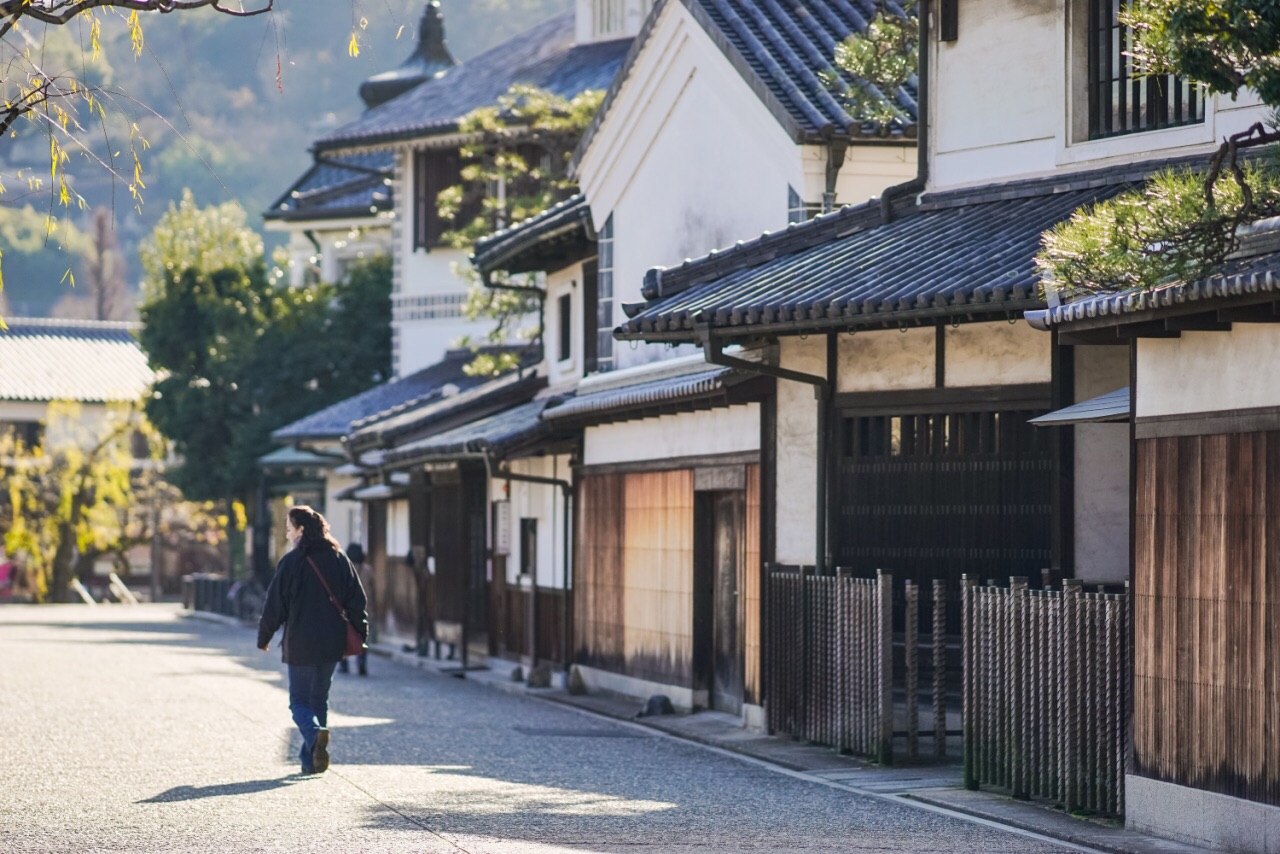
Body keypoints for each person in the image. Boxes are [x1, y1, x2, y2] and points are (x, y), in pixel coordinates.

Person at [257, 506, 368, 775]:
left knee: (298, 702)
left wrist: (265, 635)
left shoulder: (292, 562)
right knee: (319, 699)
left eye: (289, 528)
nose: (287, 533)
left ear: (301, 530)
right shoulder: (339, 558)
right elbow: (357, 599)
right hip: (332, 641)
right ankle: (311, 761)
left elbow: (275, 604)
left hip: (301, 642)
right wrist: (360, 632)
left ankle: (315, 732)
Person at [337, 542, 373, 676]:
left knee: (343, 638)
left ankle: (344, 664)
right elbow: (372, 591)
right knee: (362, 638)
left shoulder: (343, 569)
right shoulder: (368, 570)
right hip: (364, 609)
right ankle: (362, 663)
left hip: (346, 610)